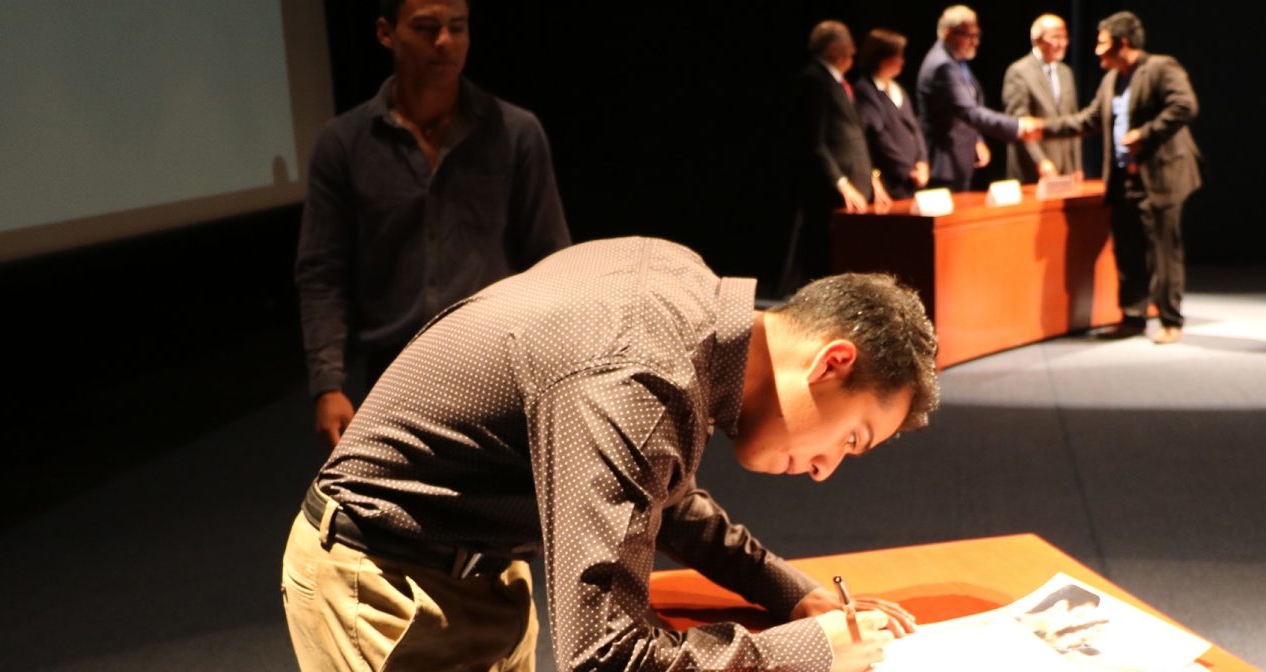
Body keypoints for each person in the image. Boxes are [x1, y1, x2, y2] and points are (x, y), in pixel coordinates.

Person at [281, 237, 939, 671]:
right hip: (383, 579)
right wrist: (803, 653)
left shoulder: (684, 293)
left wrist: (792, 594)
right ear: (832, 362)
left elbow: (659, 489)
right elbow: (604, 657)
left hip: (481, 567)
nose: (827, 470)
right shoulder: (639, 369)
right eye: (851, 439)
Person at [295, 0, 569, 448]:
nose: (444, 42)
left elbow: (551, 259)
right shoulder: (344, 144)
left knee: (507, 509)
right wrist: (327, 384)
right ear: (386, 33)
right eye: (426, 28)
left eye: (457, 27)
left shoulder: (515, 132)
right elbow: (322, 273)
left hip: (498, 364)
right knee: (409, 513)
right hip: (395, 370)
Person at [1044, 11, 1202, 344]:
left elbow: (1184, 105)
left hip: (1161, 177)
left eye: (1103, 43)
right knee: (1128, 249)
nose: (1097, 51)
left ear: (1123, 42)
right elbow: (1088, 119)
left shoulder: (1160, 68)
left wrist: (1145, 133)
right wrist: (1042, 129)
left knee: (1163, 251)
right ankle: (1133, 316)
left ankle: (1171, 320)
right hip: (1123, 179)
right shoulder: (1111, 79)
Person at [785, 20, 890, 295]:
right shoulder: (814, 80)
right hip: (831, 193)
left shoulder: (840, 82)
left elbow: (858, 138)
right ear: (833, 49)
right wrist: (841, 182)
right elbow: (815, 143)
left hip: (857, 187)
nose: (855, 51)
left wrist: (873, 178)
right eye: (849, 46)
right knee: (821, 259)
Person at [916, 5, 1044, 192]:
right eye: (969, 35)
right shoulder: (942, 65)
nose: (975, 42)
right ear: (947, 33)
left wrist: (977, 139)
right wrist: (1017, 126)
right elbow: (968, 111)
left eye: (977, 35)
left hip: (960, 159)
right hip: (945, 164)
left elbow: (968, 104)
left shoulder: (956, 62)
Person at [1002, 14, 1081, 183]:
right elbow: (1020, 122)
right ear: (1037, 39)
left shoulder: (1066, 72)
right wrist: (1040, 161)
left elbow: (1074, 121)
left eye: (1065, 37)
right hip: (1033, 170)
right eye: (1056, 37)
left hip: (1065, 169)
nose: (1063, 43)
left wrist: (1077, 165)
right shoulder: (1019, 72)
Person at [852, 29, 930, 200]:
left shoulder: (898, 89)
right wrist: (907, 170)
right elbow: (878, 136)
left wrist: (922, 162)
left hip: (914, 180)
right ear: (882, 58)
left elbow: (915, 129)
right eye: (898, 56)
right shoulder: (866, 90)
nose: (902, 61)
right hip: (892, 182)